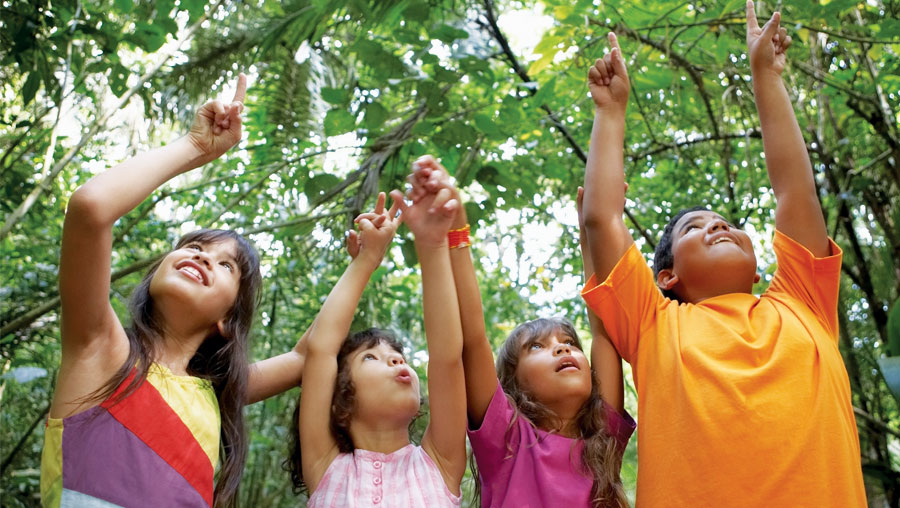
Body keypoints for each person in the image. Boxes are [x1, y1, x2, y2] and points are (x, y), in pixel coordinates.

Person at [580, 2, 867, 506]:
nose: (718, 224)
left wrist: (766, 77)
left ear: (759, 266)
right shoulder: (653, 325)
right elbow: (601, 220)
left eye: (728, 223)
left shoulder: (804, 301)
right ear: (666, 277)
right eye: (696, 226)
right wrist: (610, 112)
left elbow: (796, 194)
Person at [42, 74, 307, 508]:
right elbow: (91, 209)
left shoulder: (219, 390)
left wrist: (368, 259)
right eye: (194, 248)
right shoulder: (101, 350)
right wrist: (196, 147)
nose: (203, 257)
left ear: (226, 321)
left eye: (225, 265)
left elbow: (306, 357)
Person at [407, 156, 634, 508]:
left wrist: (591, 233)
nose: (562, 349)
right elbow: (472, 339)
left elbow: (603, 330)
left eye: (569, 343)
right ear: (513, 386)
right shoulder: (507, 438)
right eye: (537, 347)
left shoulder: (603, 441)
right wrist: (456, 233)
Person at [290, 189, 467, 507]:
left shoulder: (438, 464)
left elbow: (446, 358)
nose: (396, 360)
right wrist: (367, 260)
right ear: (338, 403)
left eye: (398, 357)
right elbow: (321, 349)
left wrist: (432, 244)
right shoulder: (325, 467)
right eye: (371, 357)